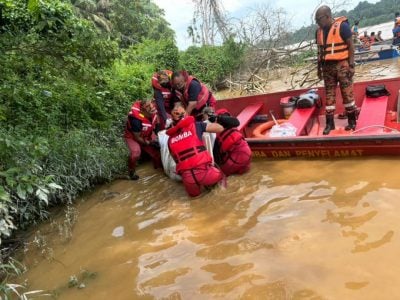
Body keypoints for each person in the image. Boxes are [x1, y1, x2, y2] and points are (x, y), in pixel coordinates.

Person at [166, 102, 224, 197]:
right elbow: (220, 128)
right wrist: (215, 119)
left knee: (196, 199)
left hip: (188, 180)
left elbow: (176, 160)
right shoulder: (196, 125)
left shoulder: (170, 139)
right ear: (185, 114)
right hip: (205, 174)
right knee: (220, 181)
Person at [315, 6, 357, 135]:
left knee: (347, 94)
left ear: (327, 16)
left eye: (319, 20)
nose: (317, 23)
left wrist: (351, 65)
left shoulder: (342, 26)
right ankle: (329, 124)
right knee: (329, 96)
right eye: (316, 21)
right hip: (327, 67)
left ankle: (352, 122)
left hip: (342, 64)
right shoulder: (319, 32)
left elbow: (351, 46)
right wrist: (319, 69)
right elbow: (320, 51)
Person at [124, 99, 162, 180]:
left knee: (158, 151)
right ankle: (131, 171)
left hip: (147, 134)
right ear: (143, 111)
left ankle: (158, 170)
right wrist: (150, 143)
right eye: (150, 111)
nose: (152, 112)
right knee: (136, 153)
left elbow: (157, 119)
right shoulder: (136, 120)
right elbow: (137, 137)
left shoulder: (152, 111)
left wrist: (158, 134)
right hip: (133, 137)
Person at [212, 108, 252, 176]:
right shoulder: (234, 127)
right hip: (248, 157)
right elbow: (236, 122)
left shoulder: (215, 135)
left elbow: (217, 158)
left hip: (233, 163)